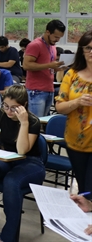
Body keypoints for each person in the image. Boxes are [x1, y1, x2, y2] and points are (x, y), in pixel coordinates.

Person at [0, 85, 45, 242]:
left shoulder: (33, 121)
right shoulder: (0, 114)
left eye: (14, 108)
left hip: (31, 163)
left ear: (24, 106)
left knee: (11, 181)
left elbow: (22, 150)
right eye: (6, 106)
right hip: (7, 159)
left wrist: (23, 123)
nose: (9, 112)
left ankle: (8, 237)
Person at [55, 30, 92, 196]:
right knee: (83, 188)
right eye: (88, 48)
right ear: (82, 51)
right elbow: (60, 107)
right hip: (75, 141)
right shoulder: (72, 74)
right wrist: (77, 102)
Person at [22, 19, 67, 117]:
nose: (57, 40)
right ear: (47, 32)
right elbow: (26, 65)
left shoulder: (52, 46)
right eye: (55, 37)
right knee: (35, 122)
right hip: (36, 90)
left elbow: (47, 66)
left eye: (60, 37)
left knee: (44, 121)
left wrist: (57, 68)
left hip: (49, 88)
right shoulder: (35, 45)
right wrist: (49, 65)